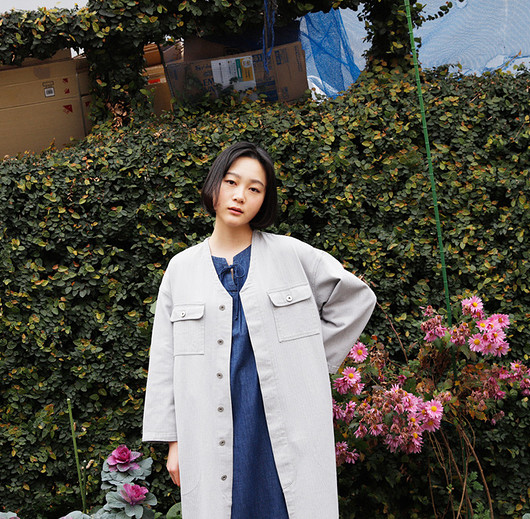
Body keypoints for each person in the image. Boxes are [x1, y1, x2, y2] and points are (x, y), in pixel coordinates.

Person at [142, 142, 376, 518]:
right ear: (214, 185)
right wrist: (174, 442)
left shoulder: (292, 255)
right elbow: (164, 362)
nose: (240, 196)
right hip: (209, 430)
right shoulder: (180, 270)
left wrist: (309, 359)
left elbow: (355, 299)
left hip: (284, 424)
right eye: (232, 182)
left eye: (255, 189)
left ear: (265, 200)